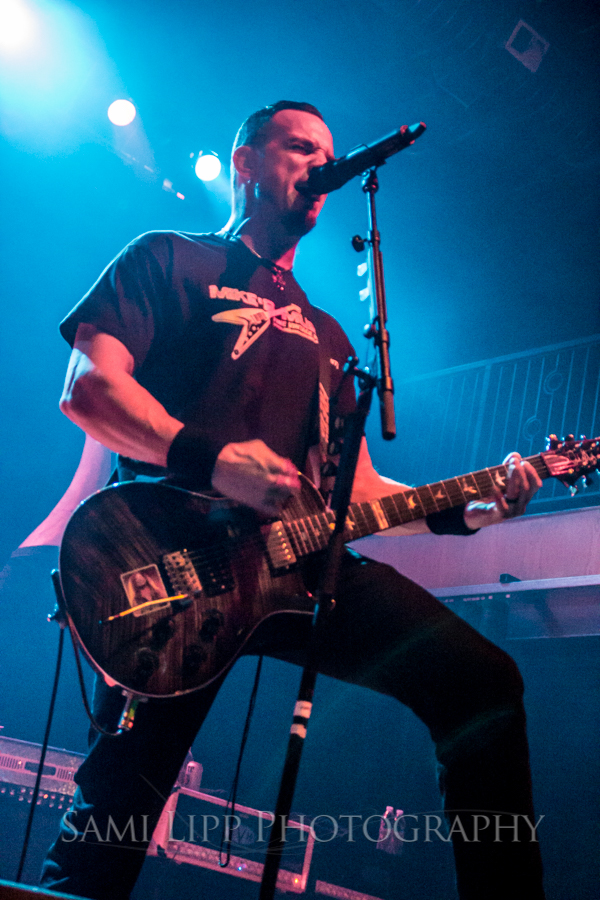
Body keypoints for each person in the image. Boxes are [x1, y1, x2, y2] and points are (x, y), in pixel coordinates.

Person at [41, 101, 545, 900]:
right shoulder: (168, 258)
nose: (319, 164)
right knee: (113, 816)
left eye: (327, 153)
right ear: (245, 162)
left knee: (480, 682)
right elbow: (88, 389)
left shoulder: (331, 336)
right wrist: (214, 462)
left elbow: (361, 491)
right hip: (171, 567)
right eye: (299, 147)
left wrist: (476, 507)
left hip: (298, 569)